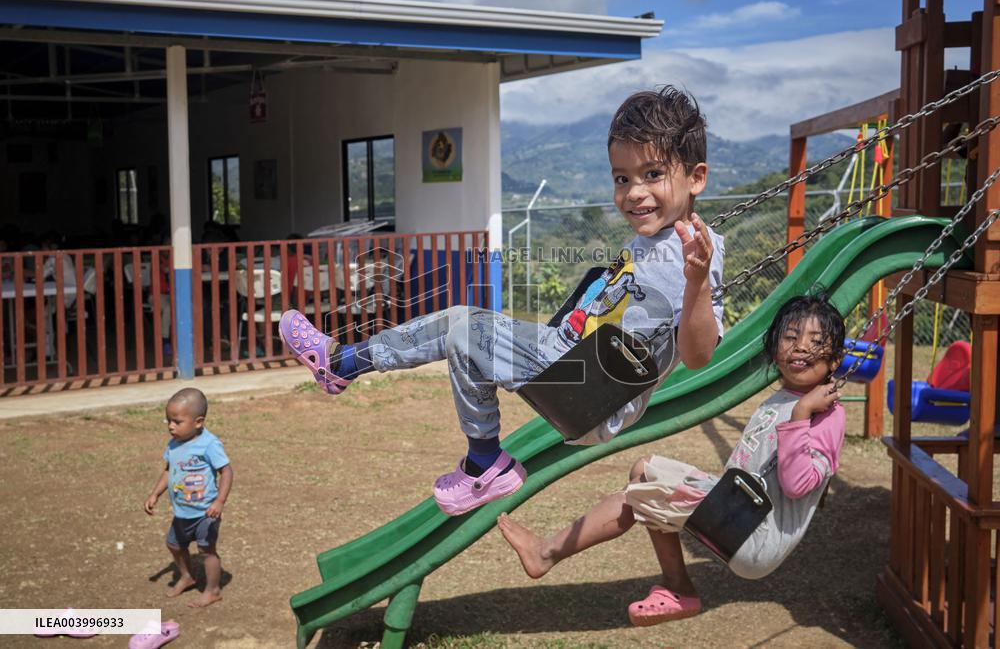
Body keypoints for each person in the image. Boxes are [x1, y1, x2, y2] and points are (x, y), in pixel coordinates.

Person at [278, 85, 725, 515]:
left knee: (468, 332)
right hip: (569, 357)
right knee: (459, 322)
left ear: (696, 177)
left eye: (653, 175)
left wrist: (699, 281)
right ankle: (345, 364)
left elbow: (698, 354)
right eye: (622, 178)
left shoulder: (698, 251)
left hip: (591, 390)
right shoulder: (649, 240)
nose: (634, 192)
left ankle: (484, 462)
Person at [496, 294, 846, 626]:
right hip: (735, 512)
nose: (801, 346)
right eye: (790, 336)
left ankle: (546, 554)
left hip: (756, 535)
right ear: (774, 347)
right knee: (643, 470)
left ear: (836, 359)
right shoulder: (785, 398)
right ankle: (677, 586)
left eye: (816, 341)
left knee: (638, 492)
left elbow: (797, 485)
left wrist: (802, 415)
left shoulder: (823, 414)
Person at [143, 388, 233, 608]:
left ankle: (213, 590)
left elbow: (227, 471)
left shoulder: (209, 444)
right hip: (182, 511)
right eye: (168, 421)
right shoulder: (173, 444)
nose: (170, 426)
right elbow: (168, 470)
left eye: (177, 421)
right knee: (174, 544)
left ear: (198, 422)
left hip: (205, 512)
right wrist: (155, 493)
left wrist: (219, 501)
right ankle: (188, 576)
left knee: (206, 550)